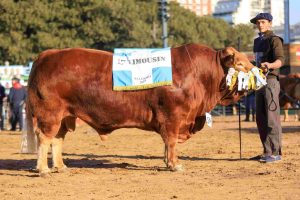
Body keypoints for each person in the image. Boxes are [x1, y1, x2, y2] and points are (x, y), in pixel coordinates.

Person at [250, 13, 285, 163]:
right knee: (261, 118)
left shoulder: (275, 40)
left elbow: (280, 61)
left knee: (272, 118)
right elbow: (257, 60)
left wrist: (270, 65)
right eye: (258, 22)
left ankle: (275, 152)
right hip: (258, 81)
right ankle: (267, 151)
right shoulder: (257, 41)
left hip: (270, 81)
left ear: (269, 23)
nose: (260, 25)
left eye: (263, 22)